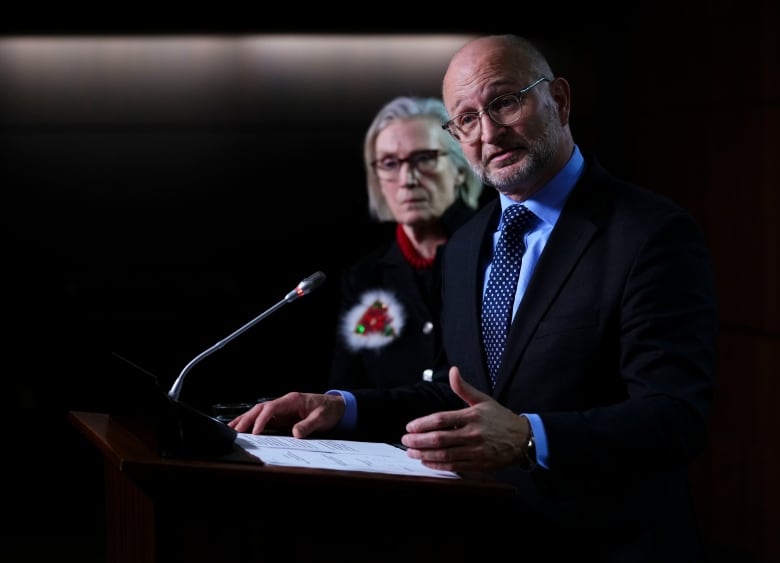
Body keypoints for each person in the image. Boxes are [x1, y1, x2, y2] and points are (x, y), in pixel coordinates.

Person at [230, 34, 717, 561]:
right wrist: (340, 407)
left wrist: (531, 437)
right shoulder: (465, 245)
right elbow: (461, 392)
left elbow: (675, 416)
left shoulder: (650, 231)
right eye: (465, 118)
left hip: (614, 546)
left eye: (505, 102)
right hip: (486, 536)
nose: (488, 133)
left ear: (559, 99)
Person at [328, 95, 483, 390]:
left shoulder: (495, 251)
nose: (407, 179)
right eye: (389, 163)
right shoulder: (363, 278)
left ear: (460, 169)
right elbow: (346, 390)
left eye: (424, 158)